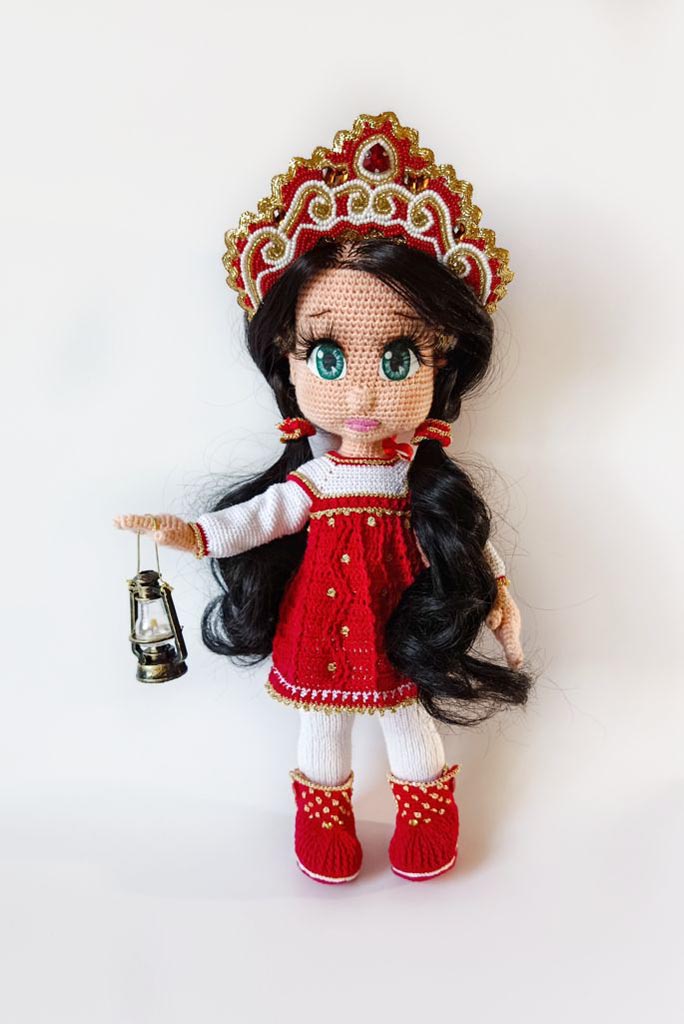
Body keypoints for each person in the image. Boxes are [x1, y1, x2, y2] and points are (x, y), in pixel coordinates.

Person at [115, 112, 532, 884]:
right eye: (330, 356)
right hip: (320, 624)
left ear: (440, 362)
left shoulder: (416, 482)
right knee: (323, 727)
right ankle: (324, 826)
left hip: (400, 623)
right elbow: (260, 519)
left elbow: (467, 540)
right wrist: (191, 534)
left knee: (408, 721)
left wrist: (498, 590)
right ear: (290, 360)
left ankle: (426, 821)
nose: (365, 391)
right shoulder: (318, 480)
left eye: (398, 356)